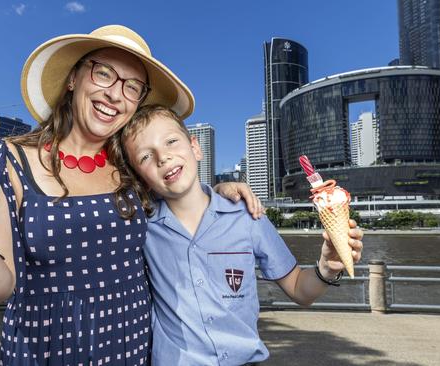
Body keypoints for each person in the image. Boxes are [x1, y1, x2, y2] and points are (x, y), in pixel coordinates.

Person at [0, 25, 262, 365]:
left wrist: (220, 192)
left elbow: (181, 195)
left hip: (135, 350)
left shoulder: (133, 167)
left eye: (132, 87)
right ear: (73, 79)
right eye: (104, 73)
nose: (115, 94)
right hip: (45, 353)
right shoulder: (8, 160)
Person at [118, 105, 365, 365]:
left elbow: (299, 290)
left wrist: (326, 269)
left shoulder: (248, 216)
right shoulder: (140, 228)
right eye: (146, 156)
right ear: (140, 178)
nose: (163, 157)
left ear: (195, 147)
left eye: (171, 141)